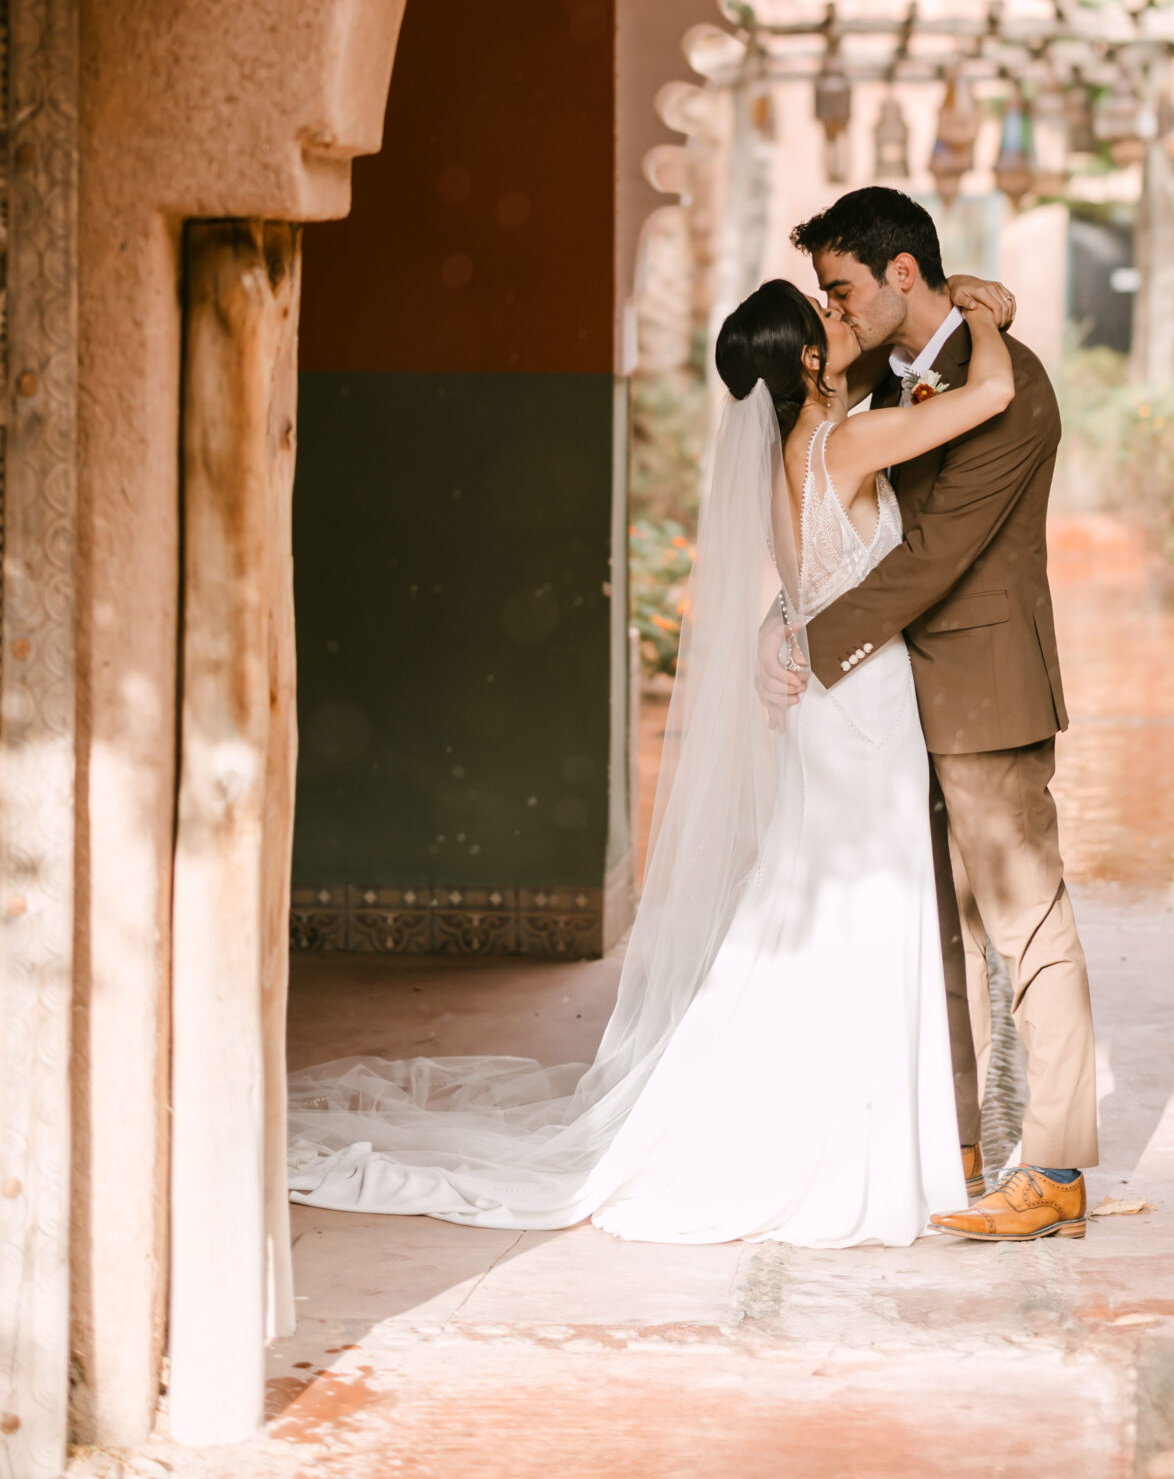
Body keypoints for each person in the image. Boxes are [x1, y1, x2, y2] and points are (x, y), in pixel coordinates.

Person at [287, 268, 1021, 1248]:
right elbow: (996, 397)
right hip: (863, 712)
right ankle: (849, 1139)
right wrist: (985, 314)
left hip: (835, 707)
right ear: (806, 359)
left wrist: (775, 627)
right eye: (825, 321)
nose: (840, 324)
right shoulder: (843, 443)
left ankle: (847, 1123)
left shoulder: (792, 455)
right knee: (863, 908)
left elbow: (814, 582)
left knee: (825, 908)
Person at [766, 186, 1098, 1248]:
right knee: (939, 936)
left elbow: (931, 555)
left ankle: (1052, 1166)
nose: (835, 310)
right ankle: (950, 1142)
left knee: (1025, 928)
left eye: (844, 288)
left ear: (898, 274)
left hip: (985, 694)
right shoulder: (894, 370)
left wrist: (807, 645)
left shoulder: (1015, 388)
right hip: (900, 704)